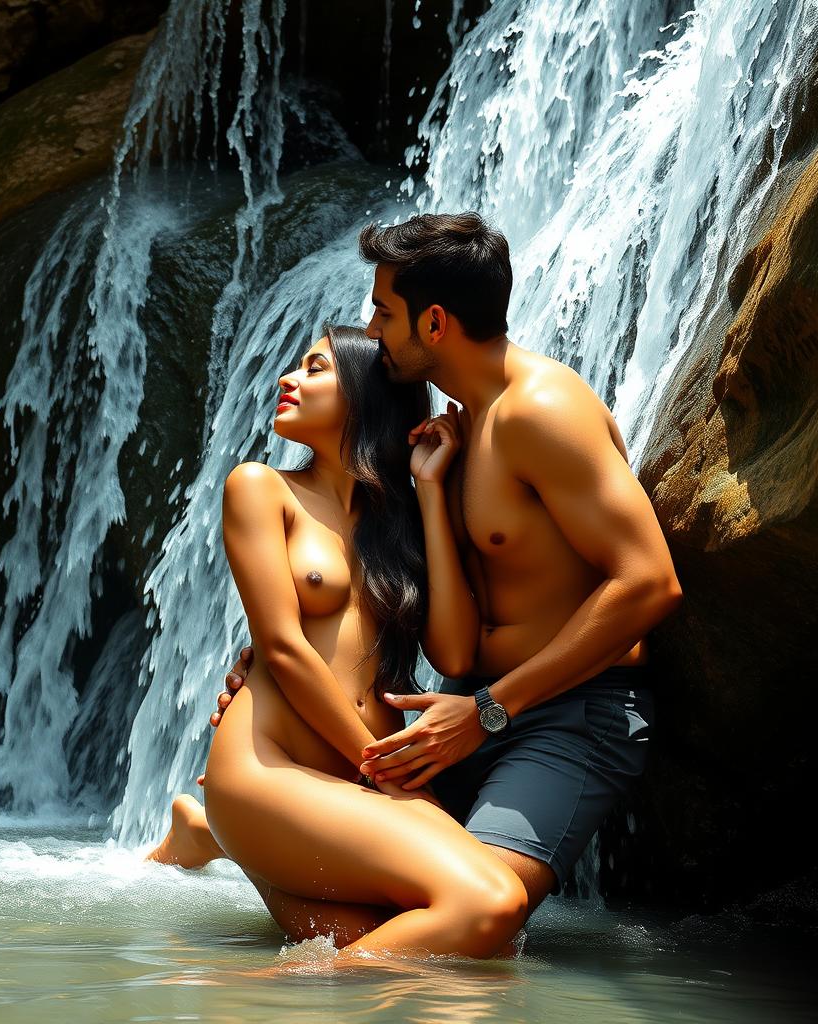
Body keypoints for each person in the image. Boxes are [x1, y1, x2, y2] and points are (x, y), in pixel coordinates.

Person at [197, 212, 683, 929]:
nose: (371, 328)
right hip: (463, 707)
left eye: (383, 312)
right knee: (399, 910)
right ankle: (242, 832)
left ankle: (250, 954)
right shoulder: (447, 439)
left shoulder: (543, 410)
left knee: (479, 917)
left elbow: (651, 583)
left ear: (433, 324)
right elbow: (433, 639)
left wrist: (491, 711)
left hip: (563, 713)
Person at [150, 322, 529, 962]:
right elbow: (283, 648)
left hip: (350, 779)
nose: (287, 379)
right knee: (492, 905)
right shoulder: (262, 488)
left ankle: (217, 840)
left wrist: (431, 491)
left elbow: (457, 656)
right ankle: (253, 995)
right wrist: (385, 774)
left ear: (364, 395)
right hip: (270, 764)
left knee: (405, 943)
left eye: (316, 368)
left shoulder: (402, 518)